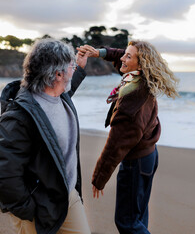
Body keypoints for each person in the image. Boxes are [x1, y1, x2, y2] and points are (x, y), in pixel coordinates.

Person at [0, 38, 91, 234]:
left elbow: (70, 85)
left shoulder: (61, 96)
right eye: (71, 66)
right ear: (58, 74)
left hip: (66, 195)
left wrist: (80, 66)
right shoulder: (20, 116)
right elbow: (3, 174)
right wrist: (28, 210)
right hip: (38, 203)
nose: (73, 69)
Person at [77, 41, 179, 234]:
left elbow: (117, 144)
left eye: (129, 57)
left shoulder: (131, 99)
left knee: (127, 222)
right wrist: (97, 53)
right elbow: (120, 55)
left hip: (136, 162)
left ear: (140, 64)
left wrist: (99, 177)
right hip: (148, 155)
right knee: (138, 216)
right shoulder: (139, 79)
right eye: (125, 54)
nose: (123, 58)